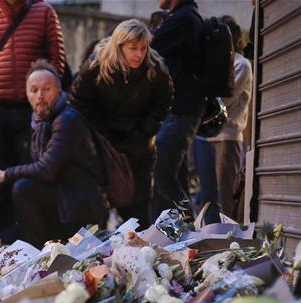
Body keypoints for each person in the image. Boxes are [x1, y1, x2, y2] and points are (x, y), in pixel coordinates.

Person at [0, 0, 65, 242]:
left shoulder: (44, 11)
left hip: (33, 113)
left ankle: (35, 241)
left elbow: (57, 60)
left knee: (31, 179)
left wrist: (44, 100)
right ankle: (1, 245)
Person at [0, 61, 106, 248]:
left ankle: (43, 261)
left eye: (46, 89)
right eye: (34, 90)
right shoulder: (40, 122)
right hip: (59, 205)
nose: (40, 96)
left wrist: (5, 174)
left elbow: (47, 169)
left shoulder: (67, 119)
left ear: (58, 90)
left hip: (80, 213)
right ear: (27, 94)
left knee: (23, 187)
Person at [70, 19, 172, 228]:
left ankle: (139, 250)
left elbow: (164, 101)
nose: (139, 54)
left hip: (138, 143)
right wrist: (98, 134)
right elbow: (79, 102)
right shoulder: (96, 64)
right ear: (119, 46)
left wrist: (145, 130)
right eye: (133, 48)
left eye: (143, 48)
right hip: (103, 144)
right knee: (97, 207)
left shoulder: (155, 68)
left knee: (138, 211)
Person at [149, 0, 205, 221]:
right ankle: (174, 230)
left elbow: (150, 48)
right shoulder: (184, 17)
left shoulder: (183, 19)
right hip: (179, 110)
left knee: (162, 176)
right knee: (174, 176)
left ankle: (189, 220)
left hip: (181, 111)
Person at [193, 15, 252, 223]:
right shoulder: (210, 62)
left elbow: (223, 100)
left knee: (224, 196)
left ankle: (227, 243)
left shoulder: (241, 64)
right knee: (206, 197)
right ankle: (208, 239)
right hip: (204, 137)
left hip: (227, 136)